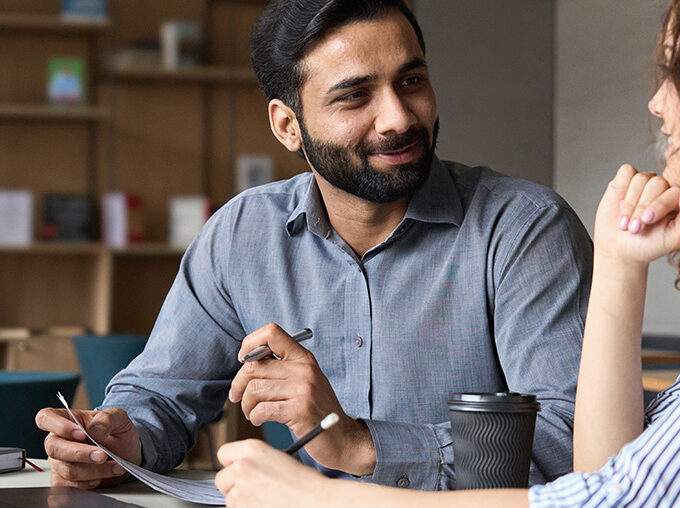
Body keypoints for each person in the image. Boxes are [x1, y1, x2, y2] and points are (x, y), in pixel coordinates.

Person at [212, 0, 680, 505]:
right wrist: (621, 266)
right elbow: (605, 472)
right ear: (288, 125)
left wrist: (323, 496)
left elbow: (611, 504)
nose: (659, 106)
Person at [35, 0, 592, 492]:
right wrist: (119, 440)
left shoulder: (525, 229)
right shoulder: (243, 234)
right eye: (354, 96)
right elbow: (160, 393)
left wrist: (362, 446)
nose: (398, 117)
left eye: (412, 81)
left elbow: (575, 439)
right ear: (288, 126)